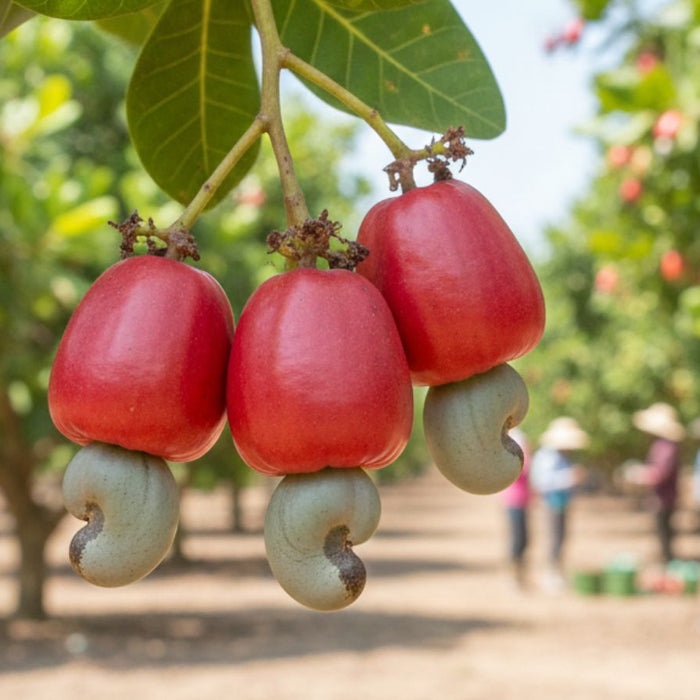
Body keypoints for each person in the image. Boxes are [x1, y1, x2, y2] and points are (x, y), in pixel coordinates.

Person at [530, 417, 589, 590]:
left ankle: (557, 571)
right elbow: (542, 481)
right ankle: (551, 573)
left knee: (562, 537)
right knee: (554, 538)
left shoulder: (563, 455)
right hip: (552, 502)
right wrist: (569, 477)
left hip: (562, 502)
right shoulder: (547, 456)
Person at [626, 403, 686, 563]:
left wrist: (639, 475)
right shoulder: (661, 445)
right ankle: (667, 562)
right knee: (663, 533)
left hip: (664, 498)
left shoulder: (666, 447)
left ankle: (669, 564)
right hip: (662, 497)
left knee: (665, 534)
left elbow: (660, 473)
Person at [500, 428, 531, 589]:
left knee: (524, 539)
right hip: (513, 501)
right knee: (517, 539)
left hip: (523, 501)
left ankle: (520, 575)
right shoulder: (513, 462)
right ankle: (514, 576)